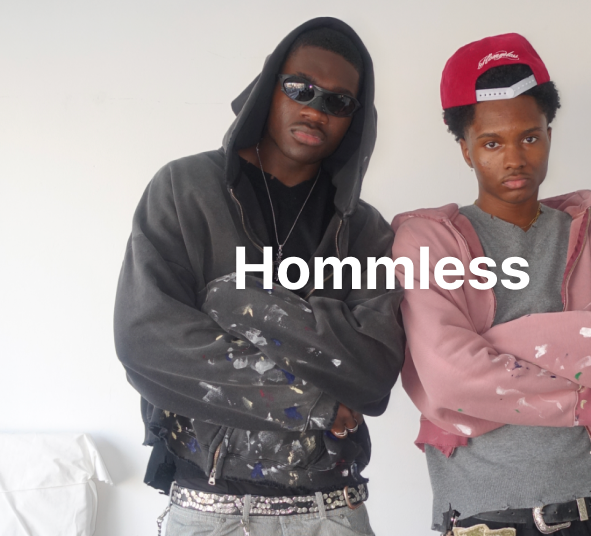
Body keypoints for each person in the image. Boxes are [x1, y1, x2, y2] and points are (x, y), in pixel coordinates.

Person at [113, 17, 404, 536]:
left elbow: (373, 371)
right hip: (207, 508)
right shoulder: (185, 189)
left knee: (232, 297)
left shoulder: (363, 230)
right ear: (269, 87)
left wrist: (234, 301)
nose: (316, 109)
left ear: (355, 119)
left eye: (339, 101)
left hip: (330, 512)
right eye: (300, 88)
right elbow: (147, 340)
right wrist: (310, 402)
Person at [392, 33, 591, 536]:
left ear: (549, 134)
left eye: (529, 137)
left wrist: (494, 346)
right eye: (491, 143)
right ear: (465, 150)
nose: (515, 158)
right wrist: (587, 392)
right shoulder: (428, 243)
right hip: (488, 521)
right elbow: (451, 379)